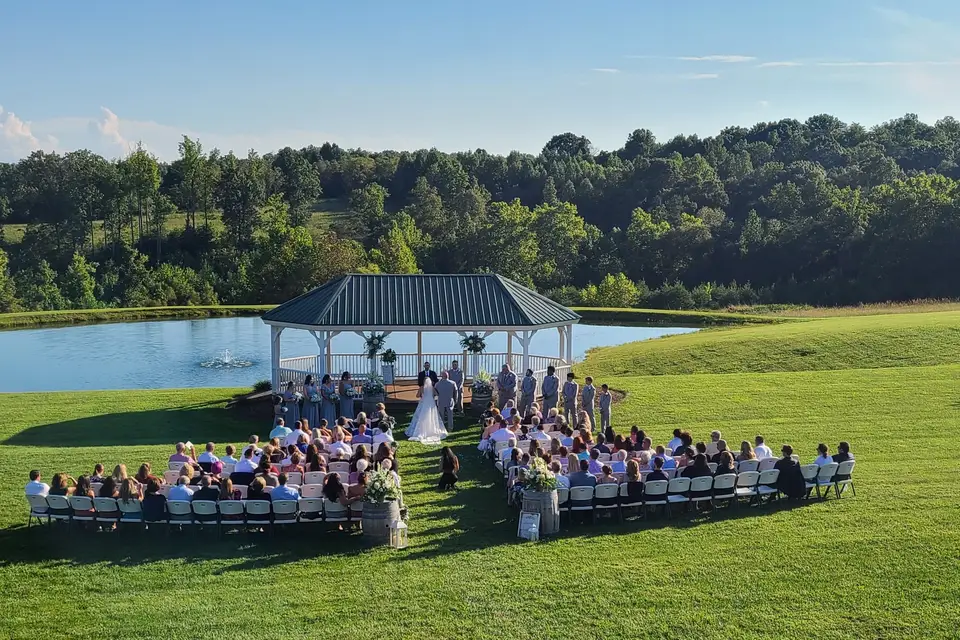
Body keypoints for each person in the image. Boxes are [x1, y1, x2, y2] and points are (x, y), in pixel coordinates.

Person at [405, 375, 448, 445]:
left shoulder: (421, 388)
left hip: (423, 403)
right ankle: (431, 430)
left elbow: (417, 395)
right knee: (431, 417)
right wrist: (433, 398)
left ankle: (420, 430)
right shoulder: (432, 388)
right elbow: (437, 394)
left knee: (420, 416)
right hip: (431, 404)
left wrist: (422, 396)